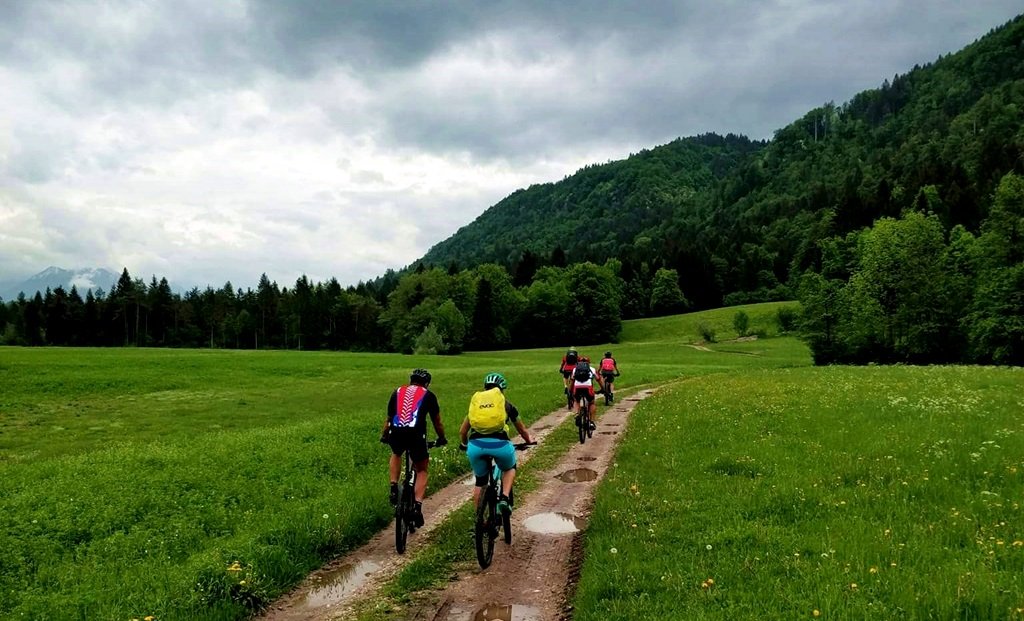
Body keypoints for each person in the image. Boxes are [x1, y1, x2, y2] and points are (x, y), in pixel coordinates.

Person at [459, 372, 535, 516]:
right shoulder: (507, 405)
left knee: (480, 481)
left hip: (475, 447)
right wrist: (528, 441)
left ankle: (478, 519)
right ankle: (505, 499)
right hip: (500, 446)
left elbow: (462, 431)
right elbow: (522, 429)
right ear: (502, 389)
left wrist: (464, 445)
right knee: (510, 468)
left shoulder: (476, 407)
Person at [381, 368, 447, 527]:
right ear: (427, 383)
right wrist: (442, 438)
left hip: (397, 431)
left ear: (411, 380)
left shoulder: (397, 391)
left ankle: (393, 486)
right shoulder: (428, 395)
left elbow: (389, 419)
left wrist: (384, 435)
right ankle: (417, 506)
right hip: (416, 434)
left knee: (396, 453)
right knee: (422, 469)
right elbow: (437, 422)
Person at [571, 356, 603, 429]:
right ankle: (591, 422)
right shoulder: (592, 369)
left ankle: (577, 415)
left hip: (577, 387)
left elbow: (572, 381)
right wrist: (602, 389)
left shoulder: (575, 369)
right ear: (589, 362)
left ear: (578, 362)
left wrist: (570, 391)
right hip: (588, 387)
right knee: (591, 402)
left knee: (576, 400)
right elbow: (598, 379)